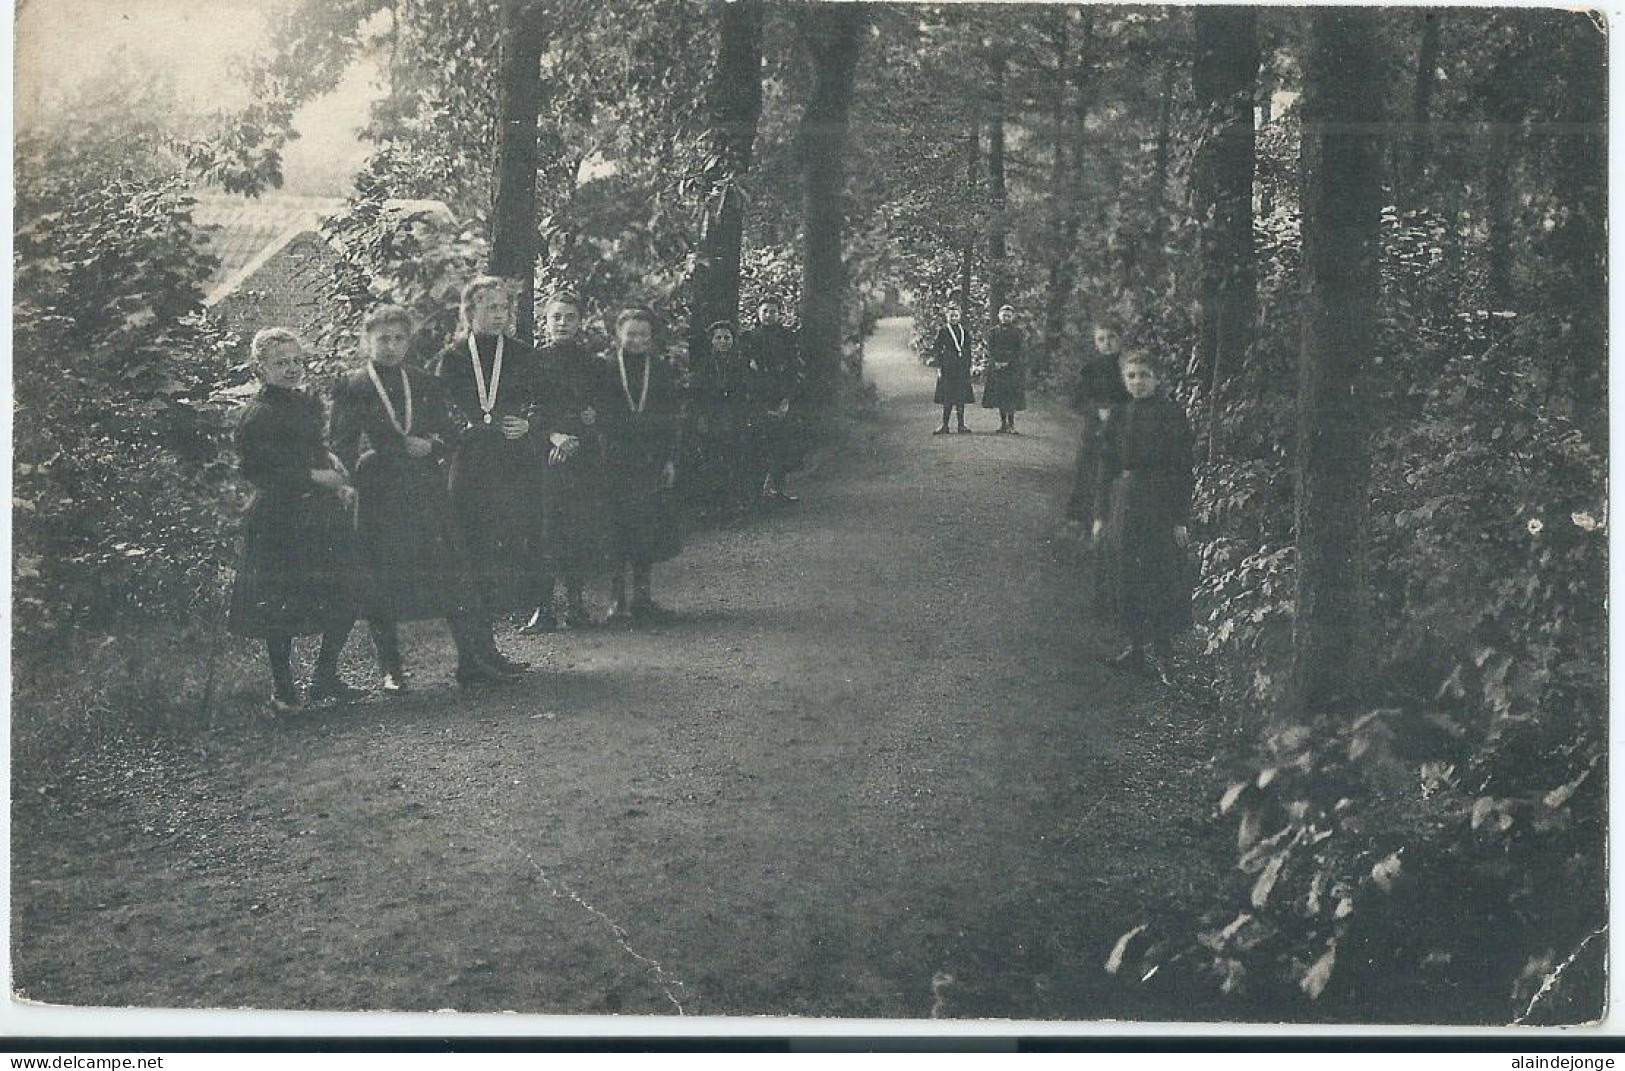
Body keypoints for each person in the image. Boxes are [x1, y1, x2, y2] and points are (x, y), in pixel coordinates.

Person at [330, 304, 508, 692]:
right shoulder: (354, 385)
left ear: (408, 342)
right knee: (383, 576)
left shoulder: (425, 382)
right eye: (382, 340)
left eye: (398, 339)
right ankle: (391, 668)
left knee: (448, 569)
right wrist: (362, 463)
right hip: (378, 493)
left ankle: (469, 662)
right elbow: (340, 445)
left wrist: (432, 445)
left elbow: (450, 432)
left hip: (425, 489)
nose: (391, 347)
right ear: (367, 342)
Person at [227, 328, 366, 714]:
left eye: (295, 361)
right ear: (260, 368)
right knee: (280, 607)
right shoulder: (257, 415)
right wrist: (312, 477)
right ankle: (284, 690)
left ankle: (325, 677)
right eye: (281, 363)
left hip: (319, 516)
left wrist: (330, 464)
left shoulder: (304, 403)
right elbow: (257, 471)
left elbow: (314, 446)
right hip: (279, 520)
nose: (291, 369)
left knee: (348, 588)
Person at [434, 276, 537, 672]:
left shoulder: (523, 354)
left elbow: (540, 402)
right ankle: (467, 658)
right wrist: (459, 431)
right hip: (469, 464)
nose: (498, 315)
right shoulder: (454, 358)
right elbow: (439, 410)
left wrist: (529, 423)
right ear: (469, 312)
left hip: (510, 464)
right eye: (489, 308)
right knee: (468, 555)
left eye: (503, 308)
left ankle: (488, 649)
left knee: (500, 554)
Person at [1092, 349, 1194, 682]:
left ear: (1157, 378)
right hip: (1124, 500)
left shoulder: (1172, 415)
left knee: (1159, 576)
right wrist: (1100, 515)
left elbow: (1182, 469)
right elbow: (1105, 467)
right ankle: (1135, 650)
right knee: (1126, 574)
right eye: (1132, 376)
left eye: (1144, 375)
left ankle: (1164, 657)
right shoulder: (1119, 416)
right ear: (1125, 380)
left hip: (1159, 502)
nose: (1138, 382)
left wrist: (1180, 519)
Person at [523, 288, 610, 632]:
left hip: (583, 457)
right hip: (544, 455)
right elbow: (529, 408)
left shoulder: (593, 364)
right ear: (546, 323)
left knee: (579, 528)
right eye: (556, 317)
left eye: (570, 317)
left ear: (580, 322)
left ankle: (575, 605)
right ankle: (542, 608)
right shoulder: (533, 362)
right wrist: (554, 436)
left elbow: (603, 410)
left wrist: (589, 424)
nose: (562, 323)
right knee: (544, 529)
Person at [600, 306, 686, 625]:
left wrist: (669, 459)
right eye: (631, 334)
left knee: (647, 526)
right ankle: (616, 600)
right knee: (616, 527)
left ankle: (643, 597)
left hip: (649, 460)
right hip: (614, 460)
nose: (637, 340)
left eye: (643, 335)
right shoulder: (606, 369)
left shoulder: (661, 370)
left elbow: (671, 418)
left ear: (652, 338)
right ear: (618, 335)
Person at [1064, 320, 1130, 539]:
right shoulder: (1091, 369)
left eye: (1111, 338)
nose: (1107, 344)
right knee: (1087, 472)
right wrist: (1096, 410)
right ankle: (1081, 523)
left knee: (1114, 476)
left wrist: (1118, 412)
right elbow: (1076, 401)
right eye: (1101, 339)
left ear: (1120, 339)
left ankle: (1111, 525)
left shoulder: (1128, 369)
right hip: (1095, 429)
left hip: (1122, 429)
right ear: (1095, 343)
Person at [740, 296, 809, 503]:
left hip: (781, 396)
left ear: (780, 314)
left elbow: (793, 369)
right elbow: (746, 371)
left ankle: (779, 490)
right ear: (758, 314)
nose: (769, 316)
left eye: (773, 311)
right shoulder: (749, 338)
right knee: (759, 445)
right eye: (765, 311)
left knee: (783, 446)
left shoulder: (787, 338)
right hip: (758, 398)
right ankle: (757, 493)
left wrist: (786, 399)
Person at [692, 320, 756, 519]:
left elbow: (748, 391)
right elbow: (697, 395)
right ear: (711, 341)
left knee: (735, 459)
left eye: (727, 338)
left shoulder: (741, 363)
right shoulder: (704, 365)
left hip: (735, 417)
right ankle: (713, 506)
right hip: (712, 417)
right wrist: (701, 418)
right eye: (718, 338)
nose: (723, 341)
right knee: (712, 460)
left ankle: (735, 505)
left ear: (733, 340)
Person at [929, 300, 975, 434]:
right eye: (951, 316)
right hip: (948, 366)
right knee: (947, 396)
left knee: (961, 396)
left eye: (956, 316)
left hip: (961, 367)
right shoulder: (943, 331)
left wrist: (969, 365)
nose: (954, 318)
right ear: (947, 317)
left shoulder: (964, 331)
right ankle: (945, 425)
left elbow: (968, 349)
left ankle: (961, 425)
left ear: (959, 316)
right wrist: (939, 366)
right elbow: (937, 349)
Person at [981, 303, 1027, 433]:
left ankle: (1011, 424)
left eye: (1009, 316)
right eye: (1004, 315)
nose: (1006, 318)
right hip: (997, 368)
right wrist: (995, 362)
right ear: (999, 316)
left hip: (1012, 368)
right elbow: (990, 349)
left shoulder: (1017, 332)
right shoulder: (993, 332)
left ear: (1012, 317)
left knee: (1011, 396)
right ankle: (1003, 424)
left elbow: (1020, 351)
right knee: (1000, 396)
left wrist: (1008, 362)